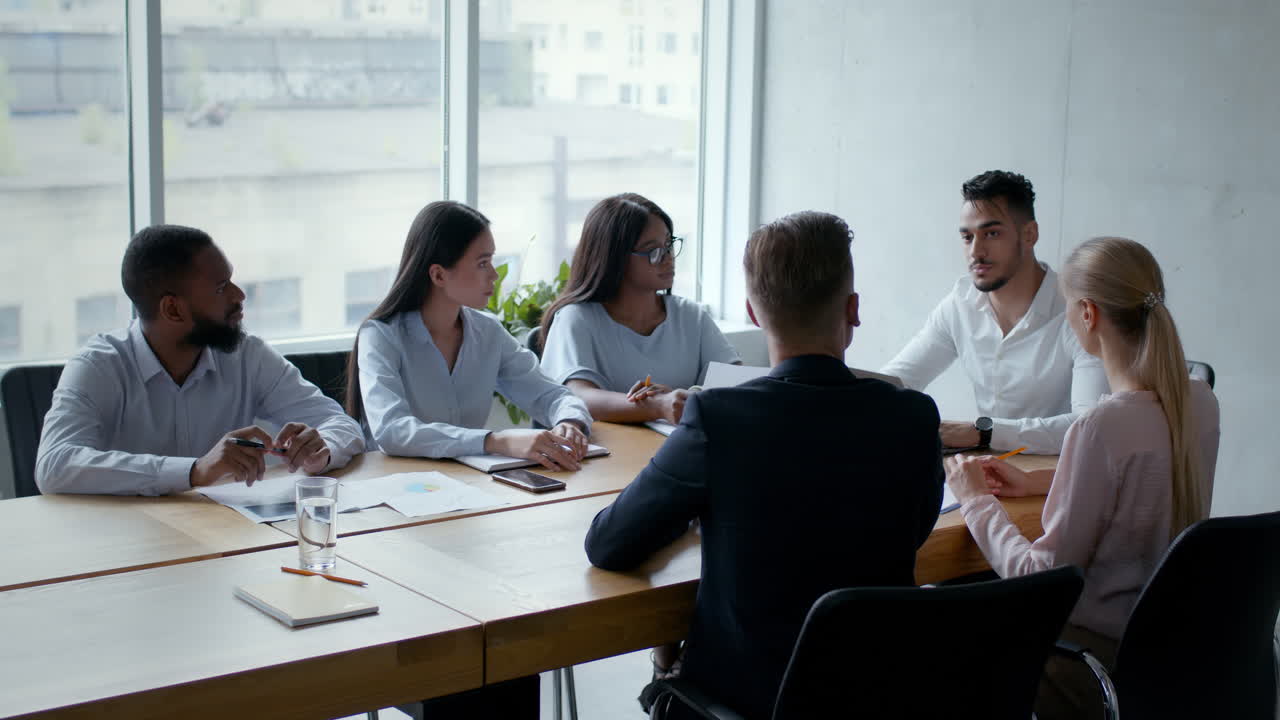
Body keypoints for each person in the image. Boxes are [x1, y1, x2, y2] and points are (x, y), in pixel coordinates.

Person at [585, 211, 943, 718]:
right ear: (853, 309)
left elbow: (608, 544)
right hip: (879, 697)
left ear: (753, 314)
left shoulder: (718, 418)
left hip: (745, 704)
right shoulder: (913, 416)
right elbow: (915, 528)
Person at [945, 236, 1220, 720]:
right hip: (1171, 653)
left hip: (1089, 660)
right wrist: (1043, 481)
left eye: (1068, 309)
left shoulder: (1101, 427)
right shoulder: (1199, 401)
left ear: (1088, 314)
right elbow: (1142, 475)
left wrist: (975, 501)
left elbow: (1037, 579)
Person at [36, 225, 364, 495]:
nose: (239, 296)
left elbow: (343, 425)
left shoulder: (247, 356)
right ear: (172, 309)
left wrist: (321, 450)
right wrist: (194, 471)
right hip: (127, 539)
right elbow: (54, 464)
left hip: (222, 535)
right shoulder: (99, 366)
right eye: (221, 288)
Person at [347, 200, 593, 472]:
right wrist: (496, 441)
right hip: (396, 485)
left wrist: (569, 422)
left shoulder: (487, 332)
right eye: (482, 263)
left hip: (467, 482)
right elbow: (392, 431)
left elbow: (553, 394)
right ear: (438, 275)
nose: (494, 275)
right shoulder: (381, 336)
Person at [882, 170, 1109, 454]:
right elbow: (896, 383)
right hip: (987, 469)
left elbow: (1090, 426)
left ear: (1029, 234)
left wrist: (983, 432)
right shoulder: (960, 304)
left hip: (1057, 472)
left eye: (991, 233)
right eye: (967, 237)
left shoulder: (1078, 312)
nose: (976, 252)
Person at [540, 193, 740, 426]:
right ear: (614, 257)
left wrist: (686, 398)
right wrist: (657, 405)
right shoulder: (576, 318)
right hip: (610, 448)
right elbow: (577, 396)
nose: (668, 258)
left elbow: (737, 384)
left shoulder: (691, 316)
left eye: (669, 245)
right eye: (653, 251)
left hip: (683, 444)